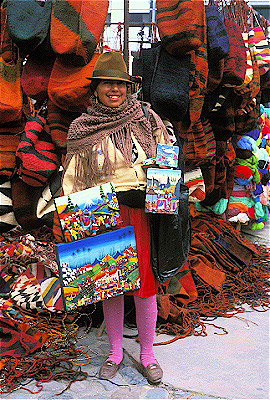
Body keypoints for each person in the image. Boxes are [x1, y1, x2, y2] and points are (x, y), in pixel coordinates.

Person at [61, 51, 172, 384]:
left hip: (143, 213)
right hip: (102, 213)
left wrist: (157, 195)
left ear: (129, 87)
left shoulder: (148, 120)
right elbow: (73, 179)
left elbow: (166, 162)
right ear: (95, 88)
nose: (114, 90)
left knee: (145, 287)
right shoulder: (81, 129)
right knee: (110, 284)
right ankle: (115, 353)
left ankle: (148, 354)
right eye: (107, 83)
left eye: (120, 84)